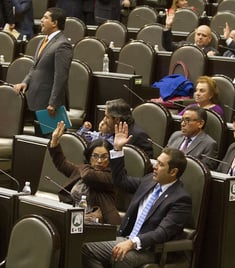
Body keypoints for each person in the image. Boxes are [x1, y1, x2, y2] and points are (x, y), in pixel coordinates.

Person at [82, 122, 192, 267]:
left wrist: (132, 243)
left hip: (149, 250)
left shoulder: (180, 199)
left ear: (173, 172)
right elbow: (120, 180)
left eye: (160, 165)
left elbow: (162, 232)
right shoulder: (148, 181)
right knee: (83, 245)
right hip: (125, 238)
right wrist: (118, 149)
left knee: (119, 256)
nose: (154, 166)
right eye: (156, 162)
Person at [13, 7, 72, 137]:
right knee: (39, 142)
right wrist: (25, 82)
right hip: (37, 101)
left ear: (54, 23)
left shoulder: (63, 44)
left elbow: (61, 76)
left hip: (49, 104)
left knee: (51, 143)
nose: (41, 21)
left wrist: (53, 102)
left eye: (45, 18)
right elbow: (35, 67)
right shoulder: (43, 41)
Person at [49, 121, 121, 225]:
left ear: (110, 159)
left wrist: (84, 166)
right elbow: (61, 163)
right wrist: (55, 140)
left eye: (104, 157)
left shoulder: (112, 176)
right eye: (95, 156)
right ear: (89, 157)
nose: (99, 161)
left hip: (103, 223)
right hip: (77, 219)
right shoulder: (83, 170)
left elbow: (88, 176)